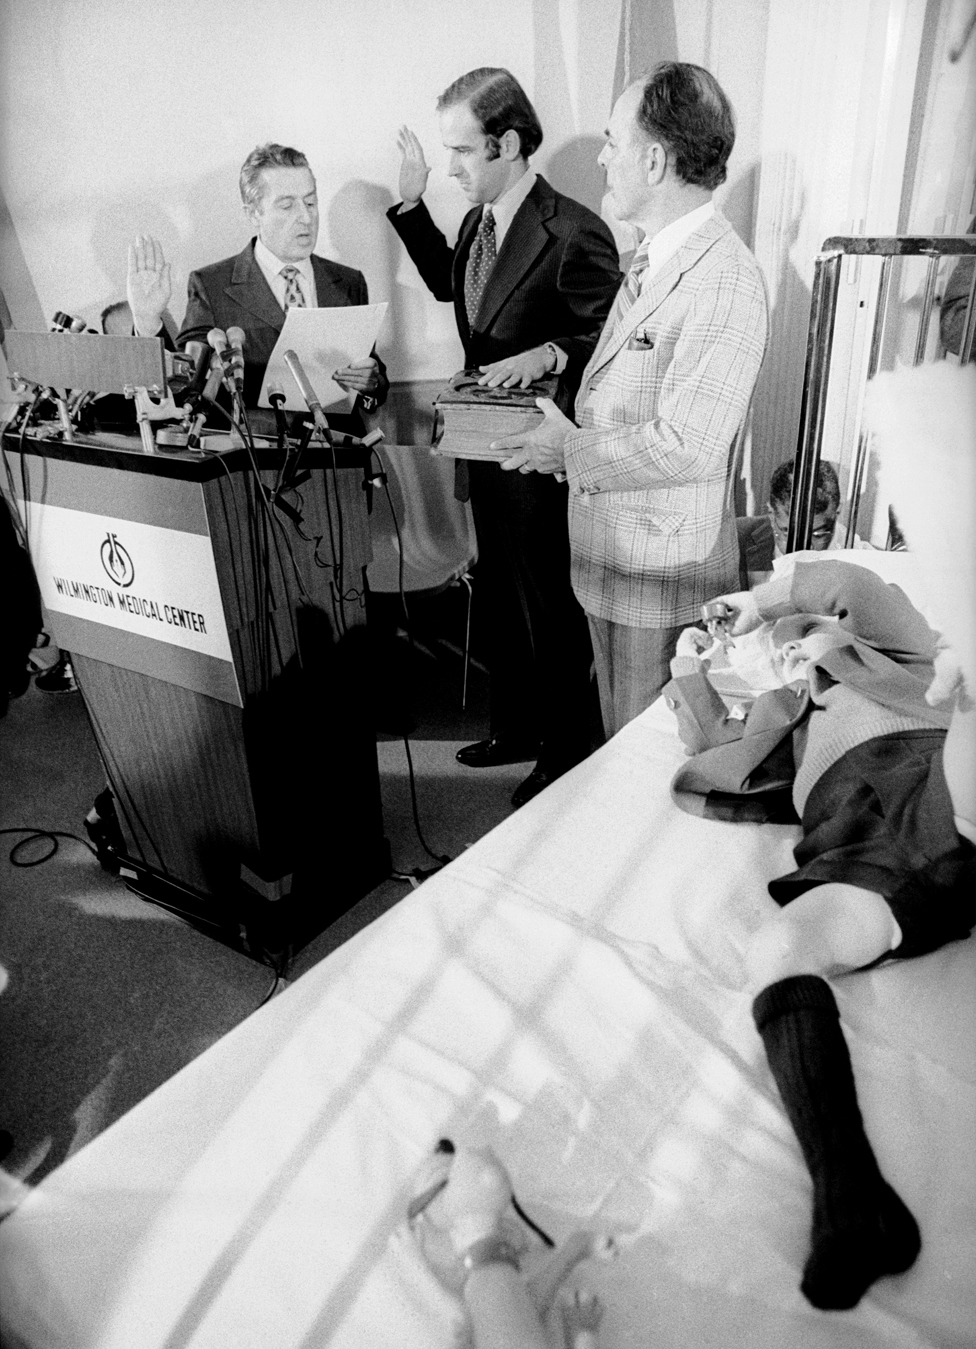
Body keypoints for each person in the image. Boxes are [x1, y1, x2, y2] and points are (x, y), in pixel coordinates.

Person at [661, 550, 975, 1310]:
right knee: (776, 951)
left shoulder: (896, 649)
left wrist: (766, 599)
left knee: (966, 742)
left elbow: (856, 586)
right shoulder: (775, 718)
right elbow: (708, 748)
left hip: (926, 769)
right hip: (861, 842)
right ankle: (852, 1195)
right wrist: (691, 663)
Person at [493, 63, 768, 740]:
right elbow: (622, 391)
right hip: (612, 563)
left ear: (655, 159)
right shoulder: (654, 258)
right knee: (620, 747)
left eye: (613, 141)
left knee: (650, 769)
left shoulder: (724, 279)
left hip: (661, 577)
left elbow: (689, 445)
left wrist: (571, 448)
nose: (601, 157)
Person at [387, 68, 622, 807]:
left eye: (460, 152)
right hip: (485, 444)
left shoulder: (575, 230)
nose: (452, 166)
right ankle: (517, 726)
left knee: (548, 604)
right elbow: (453, 289)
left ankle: (565, 750)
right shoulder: (476, 221)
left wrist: (551, 353)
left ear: (509, 143)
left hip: (542, 450)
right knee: (498, 596)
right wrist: (410, 202)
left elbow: (607, 338)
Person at [127, 143, 388, 437]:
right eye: (287, 205)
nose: (305, 217)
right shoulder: (212, 285)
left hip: (341, 457)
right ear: (253, 214)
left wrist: (372, 383)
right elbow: (188, 385)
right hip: (255, 462)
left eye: (311, 202)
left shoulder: (349, 281)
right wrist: (147, 323)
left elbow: (372, 373)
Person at [736, 459, 870, 585]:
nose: (802, 549)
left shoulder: (861, 557)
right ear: (772, 515)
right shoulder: (736, 537)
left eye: (818, 533)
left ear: (837, 512)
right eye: (787, 532)